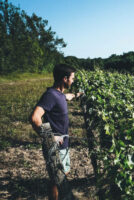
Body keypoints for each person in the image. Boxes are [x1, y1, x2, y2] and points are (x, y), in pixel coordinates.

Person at [30, 63, 81, 200]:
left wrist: (76, 95)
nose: (73, 80)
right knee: (56, 178)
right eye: (72, 78)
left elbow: (66, 97)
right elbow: (34, 118)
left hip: (62, 143)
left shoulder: (59, 95)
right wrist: (49, 138)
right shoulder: (50, 95)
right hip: (55, 145)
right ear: (65, 79)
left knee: (63, 173)